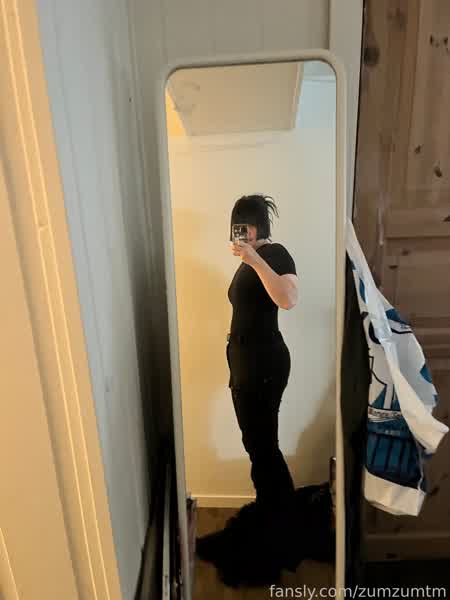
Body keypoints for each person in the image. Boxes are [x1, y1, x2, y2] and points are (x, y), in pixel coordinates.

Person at [226, 193, 299, 508]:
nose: (241, 232)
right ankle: (272, 508)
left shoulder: (275, 253)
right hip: (246, 361)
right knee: (256, 444)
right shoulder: (249, 263)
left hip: (263, 361)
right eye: (237, 226)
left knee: (263, 445)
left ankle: (280, 514)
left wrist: (255, 260)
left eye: (246, 225)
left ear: (258, 226)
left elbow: (288, 298)